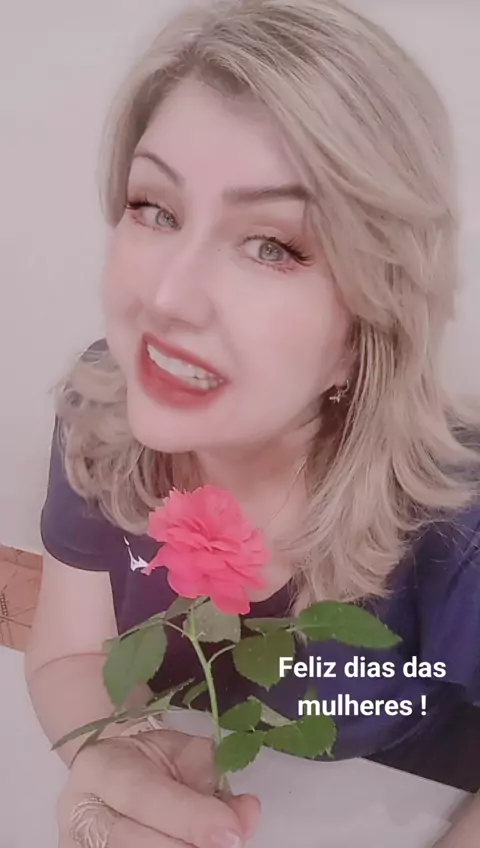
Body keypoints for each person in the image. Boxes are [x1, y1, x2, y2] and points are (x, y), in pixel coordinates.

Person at [25, 0, 480, 846]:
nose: (166, 297)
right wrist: (118, 761)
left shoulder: (459, 517)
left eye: (272, 245)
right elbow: (72, 656)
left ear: (373, 319)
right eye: (154, 208)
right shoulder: (105, 405)